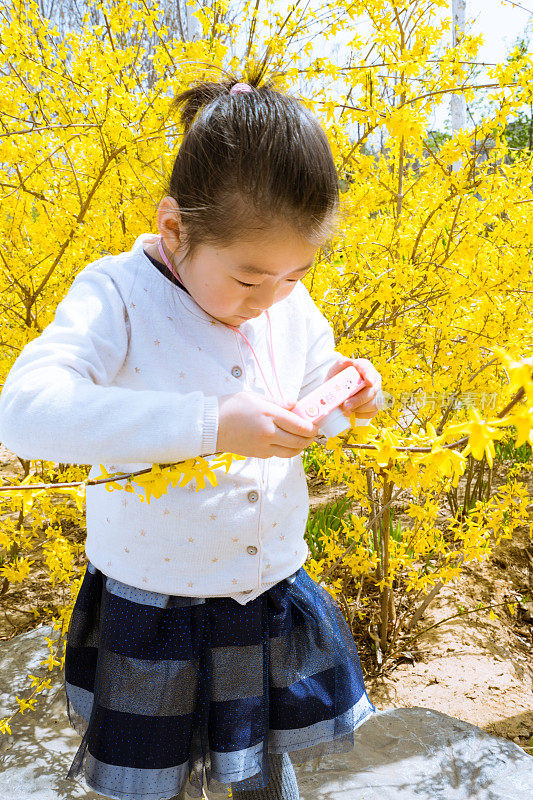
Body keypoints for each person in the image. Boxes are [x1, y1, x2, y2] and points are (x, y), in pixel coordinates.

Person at [0, 62, 382, 800]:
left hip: (266, 592)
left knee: (267, 776)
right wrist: (210, 425)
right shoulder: (117, 294)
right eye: (247, 279)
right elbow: (24, 409)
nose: (269, 300)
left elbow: (298, 407)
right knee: (150, 785)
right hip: (158, 605)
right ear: (173, 228)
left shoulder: (283, 305)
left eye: (295, 275)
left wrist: (344, 393)